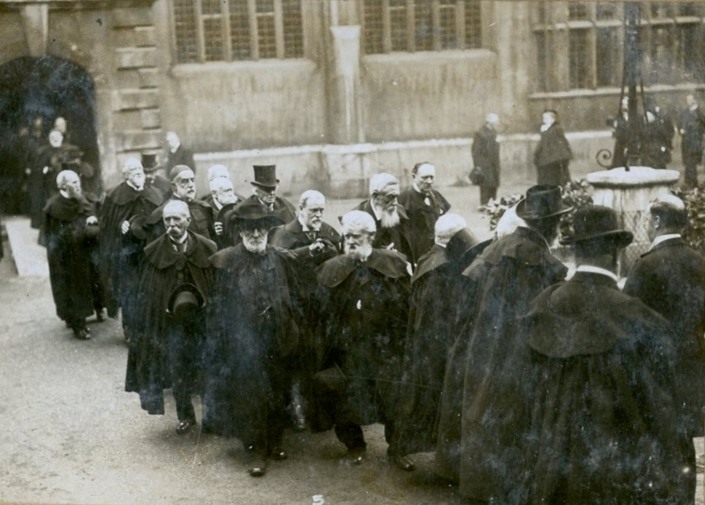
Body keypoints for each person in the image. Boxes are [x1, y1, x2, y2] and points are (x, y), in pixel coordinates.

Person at [521, 205, 690, 505]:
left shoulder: (542, 307)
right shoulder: (638, 320)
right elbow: (663, 419)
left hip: (549, 474)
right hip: (613, 478)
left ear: (576, 252)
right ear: (616, 254)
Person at [435, 185, 571, 502]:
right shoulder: (543, 265)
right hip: (519, 364)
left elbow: (464, 311)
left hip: (480, 358)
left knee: (483, 425)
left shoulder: (491, 252)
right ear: (551, 225)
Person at [203, 200, 302, 477]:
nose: (256, 235)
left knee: (278, 391)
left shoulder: (278, 258)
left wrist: (291, 329)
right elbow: (215, 310)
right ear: (240, 232)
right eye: (250, 230)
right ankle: (255, 450)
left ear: (268, 231)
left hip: (277, 337)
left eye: (261, 229)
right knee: (250, 396)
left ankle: (275, 442)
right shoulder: (225, 262)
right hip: (243, 344)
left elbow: (293, 296)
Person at [311, 210, 411, 469]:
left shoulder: (394, 263)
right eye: (346, 236)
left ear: (371, 236)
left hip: (386, 347)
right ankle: (354, 446)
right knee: (346, 399)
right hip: (348, 350)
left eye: (355, 236)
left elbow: (406, 306)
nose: (350, 241)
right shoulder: (331, 268)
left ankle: (398, 448)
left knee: (394, 397)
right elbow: (320, 310)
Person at [623, 194, 705, 504]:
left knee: (654, 446)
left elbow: (629, 322)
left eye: (646, 219)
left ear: (657, 222)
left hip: (653, 371)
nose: (645, 224)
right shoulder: (699, 261)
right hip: (690, 371)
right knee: (683, 445)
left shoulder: (645, 266)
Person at [389, 214, 486, 469]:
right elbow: (433, 315)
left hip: (427, 343)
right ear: (453, 239)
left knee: (422, 399)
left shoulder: (431, 257)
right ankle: (399, 449)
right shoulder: (439, 269)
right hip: (432, 347)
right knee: (421, 399)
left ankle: (405, 448)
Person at [125, 200, 216, 434]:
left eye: (177, 219)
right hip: (171, 324)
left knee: (207, 366)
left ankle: (212, 416)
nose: (172, 224)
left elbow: (215, 287)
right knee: (178, 369)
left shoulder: (207, 247)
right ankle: (185, 416)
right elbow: (148, 294)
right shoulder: (154, 253)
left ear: (187, 220)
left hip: (202, 321)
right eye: (167, 220)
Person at [270, 189, 341, 430]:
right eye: (313, 210)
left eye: (322, 210)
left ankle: (321, 412)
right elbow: (278, 261)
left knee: (321, 357)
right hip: (296, 308)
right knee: (296, 361)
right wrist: (309, 252)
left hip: (322, 307)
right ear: (300, 210)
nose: (318, 215)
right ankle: (296, 410)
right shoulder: (284, 234)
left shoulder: (329, 232)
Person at [98, 157, 164, 323]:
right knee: (130, 291)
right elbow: (106, 224)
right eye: (133, 171)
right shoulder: (114, 195)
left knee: (149, 288)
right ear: (126, 176)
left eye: (140, 170)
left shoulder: (154, 193)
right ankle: (130, 329)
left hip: (149, 249)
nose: (138, 174)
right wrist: (120, 225)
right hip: (126, 253)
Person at [43, 170, 100, 340]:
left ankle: (86, 315)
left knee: (87, 284)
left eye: (78, 181)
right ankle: (78, 324)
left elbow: (90, 213)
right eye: (74, 183)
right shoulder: (54, 207)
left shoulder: (80, 199)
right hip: (65, 256)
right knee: (69, 287)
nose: (78, 185)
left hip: (83, 251)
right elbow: (52, 236)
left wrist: (91, 220)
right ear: (63, 186)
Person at [140, 165, 214, 241]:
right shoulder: (162, 214)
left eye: (192, 180)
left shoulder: (203, 207)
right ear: (174, 186)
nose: (191, 185)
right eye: (185, 181)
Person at [353, 172, 414, 262]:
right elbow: (352, 257)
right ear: (375, 196)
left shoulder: (399, 211)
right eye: (390, 197)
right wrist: (381, 255)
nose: (395, 202)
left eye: (396, 196)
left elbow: (407, 248)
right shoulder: (356, 219)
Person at [398, 162, 451, 264]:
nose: (429, 181)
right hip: (415, 253)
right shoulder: (404, 198)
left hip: (436, 250)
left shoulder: (435, 195)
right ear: (414, 176)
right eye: (425, 178)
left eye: (432, 177)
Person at [533, 109, 572, 186]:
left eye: (547, 118)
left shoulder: (555, 130)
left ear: (553, 119)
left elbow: (557, 146)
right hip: (549, 162)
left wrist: (544, 132)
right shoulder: (548, 130)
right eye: (544, 118)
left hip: (552, 162)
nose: (544, 121)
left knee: (554, 181)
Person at [472, 113, 501, 204]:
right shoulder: (480, 133)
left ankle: (492, 204)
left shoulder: (494, 131)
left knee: (494, 185)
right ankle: (484, 204)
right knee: (485, 186)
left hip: (494, 164)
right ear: (489, 122)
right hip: (484, 165)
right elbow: (475, 151)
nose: (497, 123)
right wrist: (478, 165)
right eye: (496, 121)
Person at [678, 94, 705, 188]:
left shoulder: (699, 112)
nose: (687, 101)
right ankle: (689, 183)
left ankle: (692, 184)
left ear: (694, 100)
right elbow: (679, 123)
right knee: (687, 163)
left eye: (689, 99)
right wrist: (680, 130)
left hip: (695, 142)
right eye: (687, 99)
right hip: (686, 142)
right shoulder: (685, 112)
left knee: (692, 164)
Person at [610, 96, 630, 169]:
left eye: (626, 104)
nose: (624, 107)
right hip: (621, 146)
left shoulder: (635, 117)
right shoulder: (618, 118)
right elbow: (615, 133)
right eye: (622, 104)